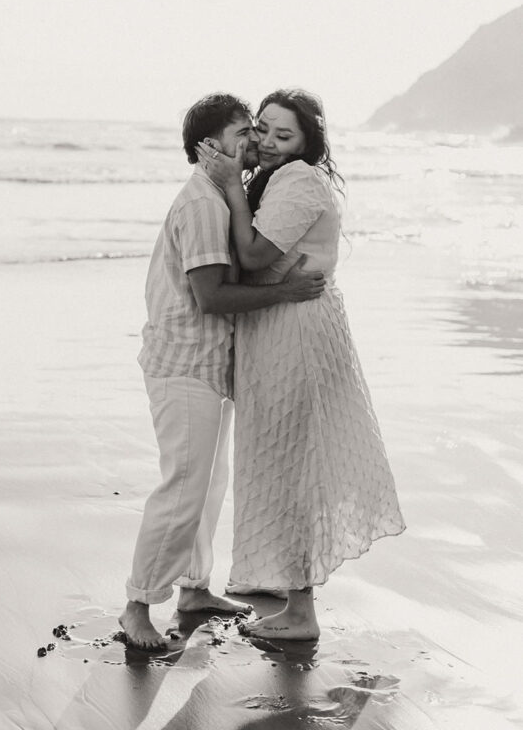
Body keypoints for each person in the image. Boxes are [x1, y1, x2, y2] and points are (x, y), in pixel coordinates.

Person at [119, 92, 326, 651]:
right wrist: (286, 291)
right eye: (243, 133)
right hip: (184, 362)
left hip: (209, 364)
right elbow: (210, 297)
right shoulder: (204, 206)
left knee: (209, 486)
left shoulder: (222, 196)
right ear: (210, 147)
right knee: (184, 488)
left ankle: (193, 589)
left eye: (256, 132)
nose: (254, 142)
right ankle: (138, 604)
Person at [196, 88, 405, 640]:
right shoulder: (274, 179)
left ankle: (300, 612)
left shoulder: (298, 180)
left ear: (308, 145)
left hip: (297, 336)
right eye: (261, 128)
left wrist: (226, 189)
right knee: (279, 453)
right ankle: (283, 579)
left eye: (283, 135)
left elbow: (253, 256)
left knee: (291, 462)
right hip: (283, 328)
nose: (266, 141)